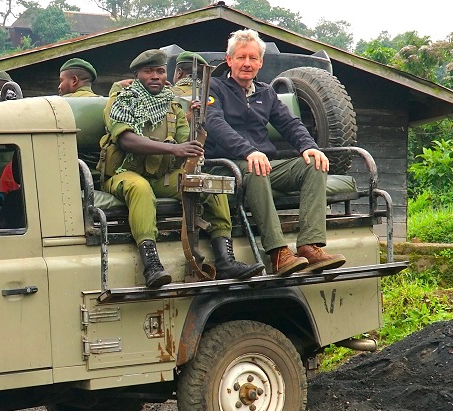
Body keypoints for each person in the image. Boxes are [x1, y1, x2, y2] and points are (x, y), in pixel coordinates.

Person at [100, 49, 261, 288]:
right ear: (137, 75)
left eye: (160, 71)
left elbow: (188, 143)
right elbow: (126, 140)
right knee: (140, 189)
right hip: (125, 173)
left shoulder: (172, 104)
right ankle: (152, 264)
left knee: (210, 184)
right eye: (148, 71)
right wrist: (173, 150)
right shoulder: (122, 101)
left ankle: (226, 260)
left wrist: (194, 126)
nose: (155, 76)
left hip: (162, 176)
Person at [205, 29, 346, 276]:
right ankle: (278, 253)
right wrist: (248, 151)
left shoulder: (266, 92)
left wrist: (310, 147)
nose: (246, 63)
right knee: (257, 167)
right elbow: (215, 125)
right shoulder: (215, 88)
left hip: (261, 166)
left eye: (252, 58)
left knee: (313, 164)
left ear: (261, 63)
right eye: (240, 57)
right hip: (225, 167)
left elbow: (291, 124)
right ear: (229, 60)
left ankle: (309, 245)